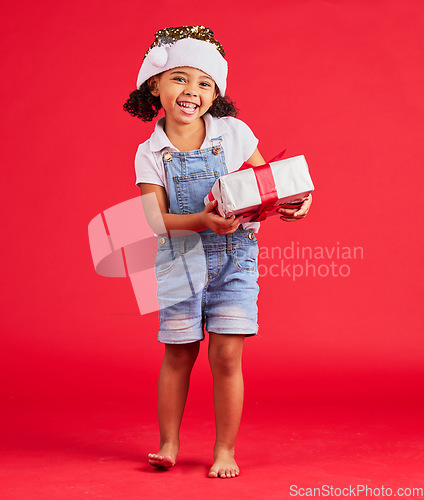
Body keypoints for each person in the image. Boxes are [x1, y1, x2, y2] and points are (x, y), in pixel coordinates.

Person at [123, 25, 312, 479]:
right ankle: (168, 443)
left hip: (234, 261)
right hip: (180, 265)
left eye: (205, 82)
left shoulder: (233, 132)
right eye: (180, 78)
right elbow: (154, 220)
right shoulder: (151, 152)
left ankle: (224, 450)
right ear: (155, 85)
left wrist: (297, 200)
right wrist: (202, 222)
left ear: (217, 93)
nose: (192, 90)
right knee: (179, 352)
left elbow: (269, 181)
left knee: (227, 357)